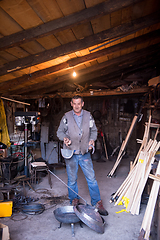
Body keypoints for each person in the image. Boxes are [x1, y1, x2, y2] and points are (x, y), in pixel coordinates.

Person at [56, 95, 108, 216]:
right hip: (71, 152)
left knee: (91, 179)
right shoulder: (66, 117)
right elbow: (60, 132)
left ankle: (97, 202)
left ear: (82, 104)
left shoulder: (88, 116)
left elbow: (94, 131)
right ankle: (74, 200)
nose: (77, 106)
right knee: (72, 180)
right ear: (71, 103)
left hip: (84, 152)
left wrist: (92, 140)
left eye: (79, 103)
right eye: (74, 103)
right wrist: (64, 138)